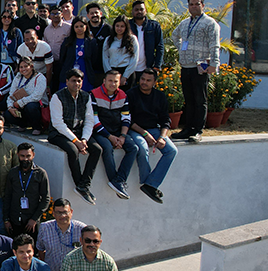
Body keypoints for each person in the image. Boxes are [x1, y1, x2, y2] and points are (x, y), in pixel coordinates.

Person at [171, 0, 221, 144]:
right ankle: (188, 128)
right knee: (189, 100)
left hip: (201, 66)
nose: (194, 7)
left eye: (197, 4)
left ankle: (198, 130)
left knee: (200, 100)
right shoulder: (184, 23)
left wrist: (214, 64)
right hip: (186, 66)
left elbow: (214, 45)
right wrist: (181, 49)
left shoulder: (210, 23)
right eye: (191, 4)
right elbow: (174, 35)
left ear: (203, 5)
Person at [48, 68, 102, 205]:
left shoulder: (86, 97)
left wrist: (84, 139)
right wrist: (76, 141)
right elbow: (58, 123)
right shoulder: (57, 97)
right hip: (58, 134)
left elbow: (89, 120)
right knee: (72, 150)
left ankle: (84, 184)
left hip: (79, 133)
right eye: (73, 81)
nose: (76, 84)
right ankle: (79, 184)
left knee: (97, 149)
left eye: (79, 81)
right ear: (67, 82)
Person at [126, 68, 177, 203]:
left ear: (154, 82)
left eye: (148, 80)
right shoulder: (131, 94)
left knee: (171, 151)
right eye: (142, 79)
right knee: (142, 148)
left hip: (154, 129)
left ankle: (150, 184)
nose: (144, 82)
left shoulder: (160, 96)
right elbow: (128, 120)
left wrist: (162, 137)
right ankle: (147, 183)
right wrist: (145, 133)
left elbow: (165, 119)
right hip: (136, 130)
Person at [90, 69, 136, 200]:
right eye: (110, 80)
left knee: (133, 148)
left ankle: (119, 180)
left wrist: (122, 136)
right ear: (104, 81)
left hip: (117, 132)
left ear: (119, 83)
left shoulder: (123, 95)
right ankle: (114, 180)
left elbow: (126, 118)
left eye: (116, 81)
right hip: (100, 132)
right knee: (107, 147)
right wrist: (110, 137)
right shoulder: (94, 94)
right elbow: (94, 120)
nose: (113, 84)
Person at [3, 142, 50, 240]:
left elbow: (46, 198)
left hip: (31, 222)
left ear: (33, 155)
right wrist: (6, 220)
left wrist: (34, 219)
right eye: (22, 156)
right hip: (15, 220)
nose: (25, 159)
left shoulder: (40, 173)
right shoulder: (12, 173)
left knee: (32, 248)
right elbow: (7, 196)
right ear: (18, 155)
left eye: (28, 156)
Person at [35, 198, 85, 271]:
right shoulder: (45, 228)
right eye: (58, 212)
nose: (62, 216)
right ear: (53, 213)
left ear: (71, 212)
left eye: (65, 212)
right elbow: (40, 249)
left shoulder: (82, 229)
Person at [4, 58, 47, 135]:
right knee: (7, 114)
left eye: (26, 66)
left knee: (30, 106)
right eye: (21, 67)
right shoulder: (18, 77)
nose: (23, 69)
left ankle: (37, 127)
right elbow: (11, 94)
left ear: (31, 66)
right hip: (20, 105)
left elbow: (36, 96)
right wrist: (10, 107)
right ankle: (23, 124)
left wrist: (20, 102)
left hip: (37, 105)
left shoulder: (40, 78)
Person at [56, 16, 96, 92]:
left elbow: (94, 59)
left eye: (81, 26)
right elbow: (62, 58)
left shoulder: (91, 42)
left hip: (85, 72)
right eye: (76, 26)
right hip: (69, 71)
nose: (79, 28)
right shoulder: (67, 41)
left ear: (86, 26)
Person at [129, 0, 164, 85]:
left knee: (147, 91)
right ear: (132, 11)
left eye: (141, 9)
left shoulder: (154, 26)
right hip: (130, 69)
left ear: (146, 11)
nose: (139, 11)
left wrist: (157, 67)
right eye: (136, 10)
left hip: (147, 68)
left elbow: (160, 47)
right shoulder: (127, 26)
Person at [101, 14, 140, 89]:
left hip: (126, 71)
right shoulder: (109, 39)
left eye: (122, 26)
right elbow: (105, 57)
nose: (119, 28)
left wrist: (125, 76)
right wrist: (109, 74)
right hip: (112, 70)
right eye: (117, 26)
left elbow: (134, 59)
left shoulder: (132, 39)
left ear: (126, 27)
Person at [84, 3, 112, 88]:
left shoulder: (108, 29)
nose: (94, 15)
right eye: (91, 13)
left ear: (101, 13)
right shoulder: (84, 28)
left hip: (103, 69)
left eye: (96, 12)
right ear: (88, 15)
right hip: (87, 68)